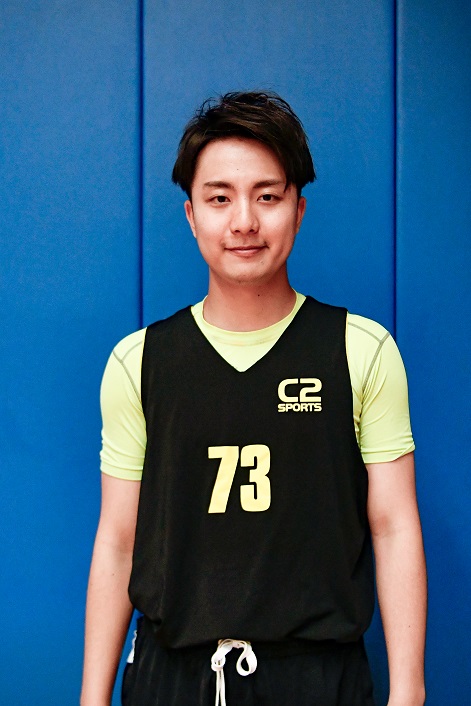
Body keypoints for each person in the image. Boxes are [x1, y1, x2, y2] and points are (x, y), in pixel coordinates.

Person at [81, 91, 427, 706]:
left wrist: (409, 691)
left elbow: (394, 524)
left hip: (317, 676)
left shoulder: (360, 350)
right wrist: (92, 697)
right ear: (191, 215)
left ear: (298, 209)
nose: (244, 221)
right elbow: (119, 539)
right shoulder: (140, 362)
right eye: (220, 198)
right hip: (173, 676)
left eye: (267, 196)